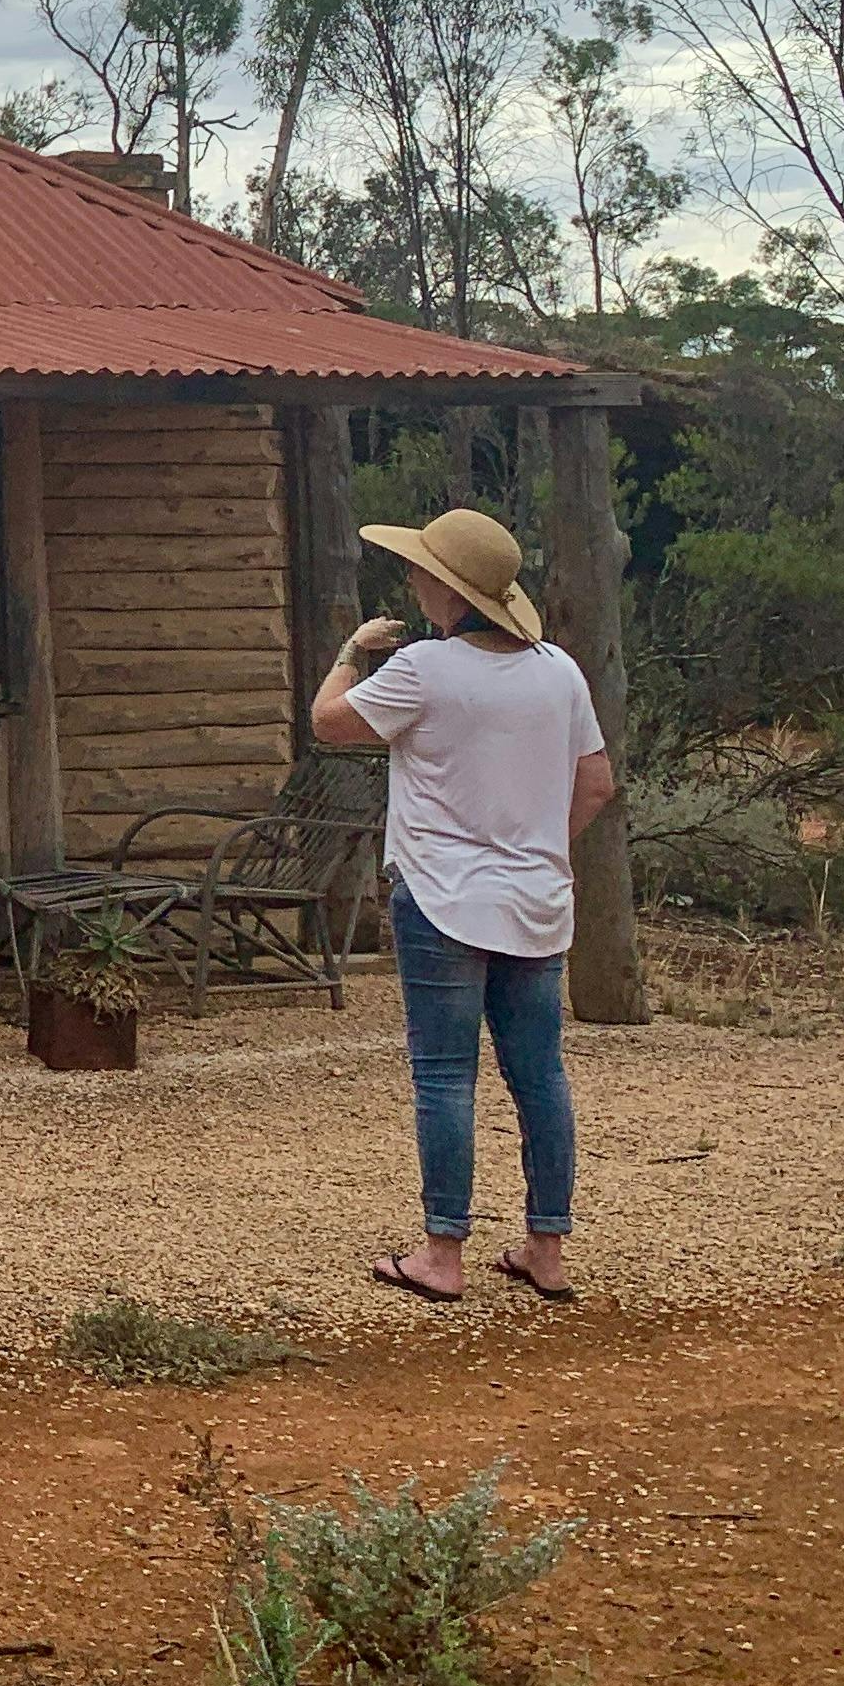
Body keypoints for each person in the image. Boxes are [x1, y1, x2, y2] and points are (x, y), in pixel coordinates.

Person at [311, 504, 615, 1309]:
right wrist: (537, 844)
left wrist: (350, 654)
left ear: (449, 591)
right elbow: (596, 785)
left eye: (421, 572)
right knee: (539, 1074)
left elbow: (328, 723)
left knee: (445, 1075)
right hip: (537, 899)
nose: (413, 582)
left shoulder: (424, 670)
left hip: (442, 897)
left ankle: (442, 1253)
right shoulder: (560, 671)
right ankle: (547, 1248)